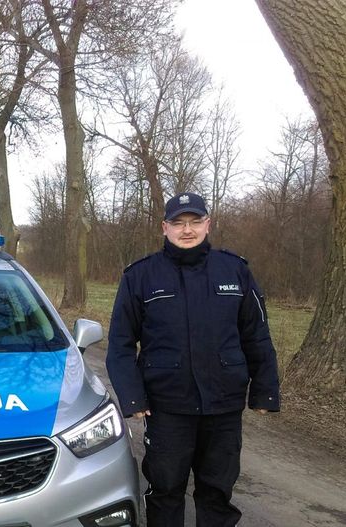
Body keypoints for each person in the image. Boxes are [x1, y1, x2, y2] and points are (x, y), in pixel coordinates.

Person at [105, 192, 280, 527]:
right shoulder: (140, 276)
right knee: (166, 488)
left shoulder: (235, 270)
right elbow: (120, 343)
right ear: (165, 228)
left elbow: (256, 335)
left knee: (217, 490)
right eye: (178, 223)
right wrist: (132, 398)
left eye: (195, 221)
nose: (187, 230)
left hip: (223, 406)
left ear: (207, 224)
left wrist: (265, 391)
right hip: (167, 406)